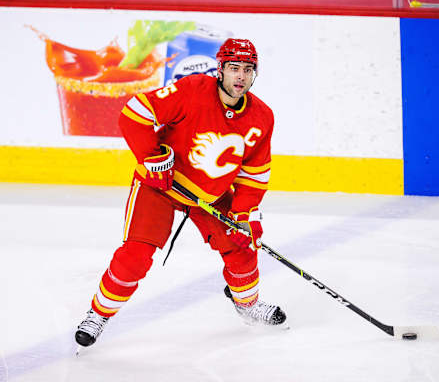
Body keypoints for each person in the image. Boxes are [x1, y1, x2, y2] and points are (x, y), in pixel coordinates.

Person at [75, 38, 287, 348]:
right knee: (134, 257)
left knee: (243, 249)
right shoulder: (192, 90)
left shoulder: (262, 117)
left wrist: (244, 212)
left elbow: (254, 174)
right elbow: (134, 113)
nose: (240, 77)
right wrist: (152, 157)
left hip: (210, 197)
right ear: (220, 69)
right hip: (160, 187)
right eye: (233, 68)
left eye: (247, 69)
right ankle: (99, 314)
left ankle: (248, 305)